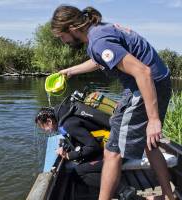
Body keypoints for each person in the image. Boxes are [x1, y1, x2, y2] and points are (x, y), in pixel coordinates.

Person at [50, 5, 175, 200]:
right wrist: (70, 71)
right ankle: (169, 195)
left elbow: (143, 72)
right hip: (155, 83)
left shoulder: (98, 41)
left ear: (72, 28)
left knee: (112, 152)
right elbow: (99, 60)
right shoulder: (101, 31)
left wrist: (153, 120)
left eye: (61, 36)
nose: (63, 41)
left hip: (145, 86)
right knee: (150, 145)